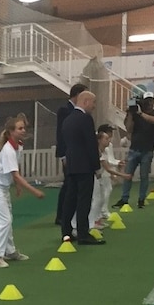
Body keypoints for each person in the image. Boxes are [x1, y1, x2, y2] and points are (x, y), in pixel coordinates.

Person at [0, 117, 45, 268]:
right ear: (11, 132)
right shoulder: (8, 150)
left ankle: (9, 251)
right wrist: (34, 191)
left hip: (3, 186)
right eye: (19, 128)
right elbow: (16, 175)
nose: (23, 130)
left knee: (8, 219)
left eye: (24, 128)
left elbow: (16, 169)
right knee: (4, 221)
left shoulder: (18, 145)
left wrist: (17, 186)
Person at [60, 91, 104, 246]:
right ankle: (83, 233)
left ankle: (66, 232)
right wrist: (96, 167)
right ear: (85, 102)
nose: (94, 106)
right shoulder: (85, 119)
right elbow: (91, 145)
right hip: (85, 166)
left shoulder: (67, 120)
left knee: (70, 199)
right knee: (84, 200)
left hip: (71, 165)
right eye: (93, 102)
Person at [114, 91, 154, 209]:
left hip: (147, 150)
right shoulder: (136, 113)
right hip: (134, 149)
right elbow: (128, 128)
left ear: (153, 101)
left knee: (144, 176)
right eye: (147, 101)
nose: (149, 103)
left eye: (151, 100)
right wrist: (131, 113)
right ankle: (124, 198)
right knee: (127, 175)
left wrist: (140, 113)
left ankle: (141, 199)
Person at [55, 83, 88, 225]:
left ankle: (68, 215)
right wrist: (63, 155)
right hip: (68, 153)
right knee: (68, 185)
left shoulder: (81, 112)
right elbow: (61, 134)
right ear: (77, 95)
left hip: (78, 154)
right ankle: (61, 215)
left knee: (71, 185)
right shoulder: (64, 110)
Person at [90, 124, 131, 229]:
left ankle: (97, 220)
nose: (109, 140)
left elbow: (107, 167)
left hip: (97, 177)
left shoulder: (103, 151)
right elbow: (107, 168)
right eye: (106, 138)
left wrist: (116, 171)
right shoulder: (97, 152)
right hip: (92, 177)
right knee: (96, 199)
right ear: (99, 140)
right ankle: (92, 222)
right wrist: (124, 175)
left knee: (100, 199)